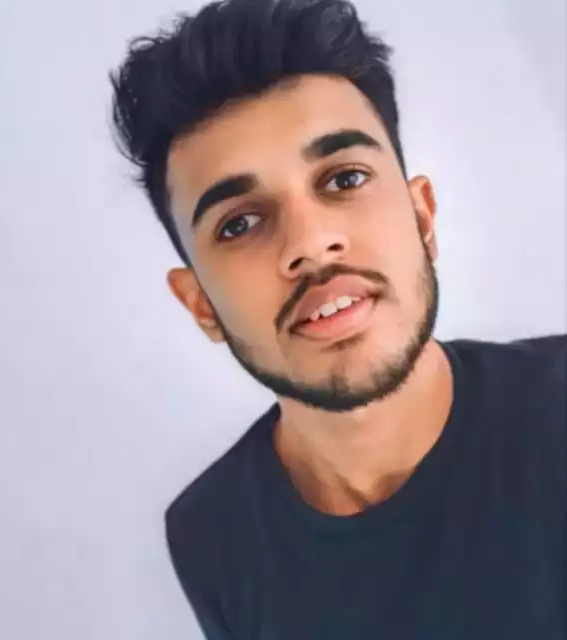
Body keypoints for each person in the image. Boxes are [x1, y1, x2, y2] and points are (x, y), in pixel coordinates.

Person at [109, 0, 566, 638]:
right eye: (239, 223)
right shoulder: (209, 536)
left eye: (345, 178)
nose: (310, 243)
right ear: (200, 303)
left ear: (422, 218)